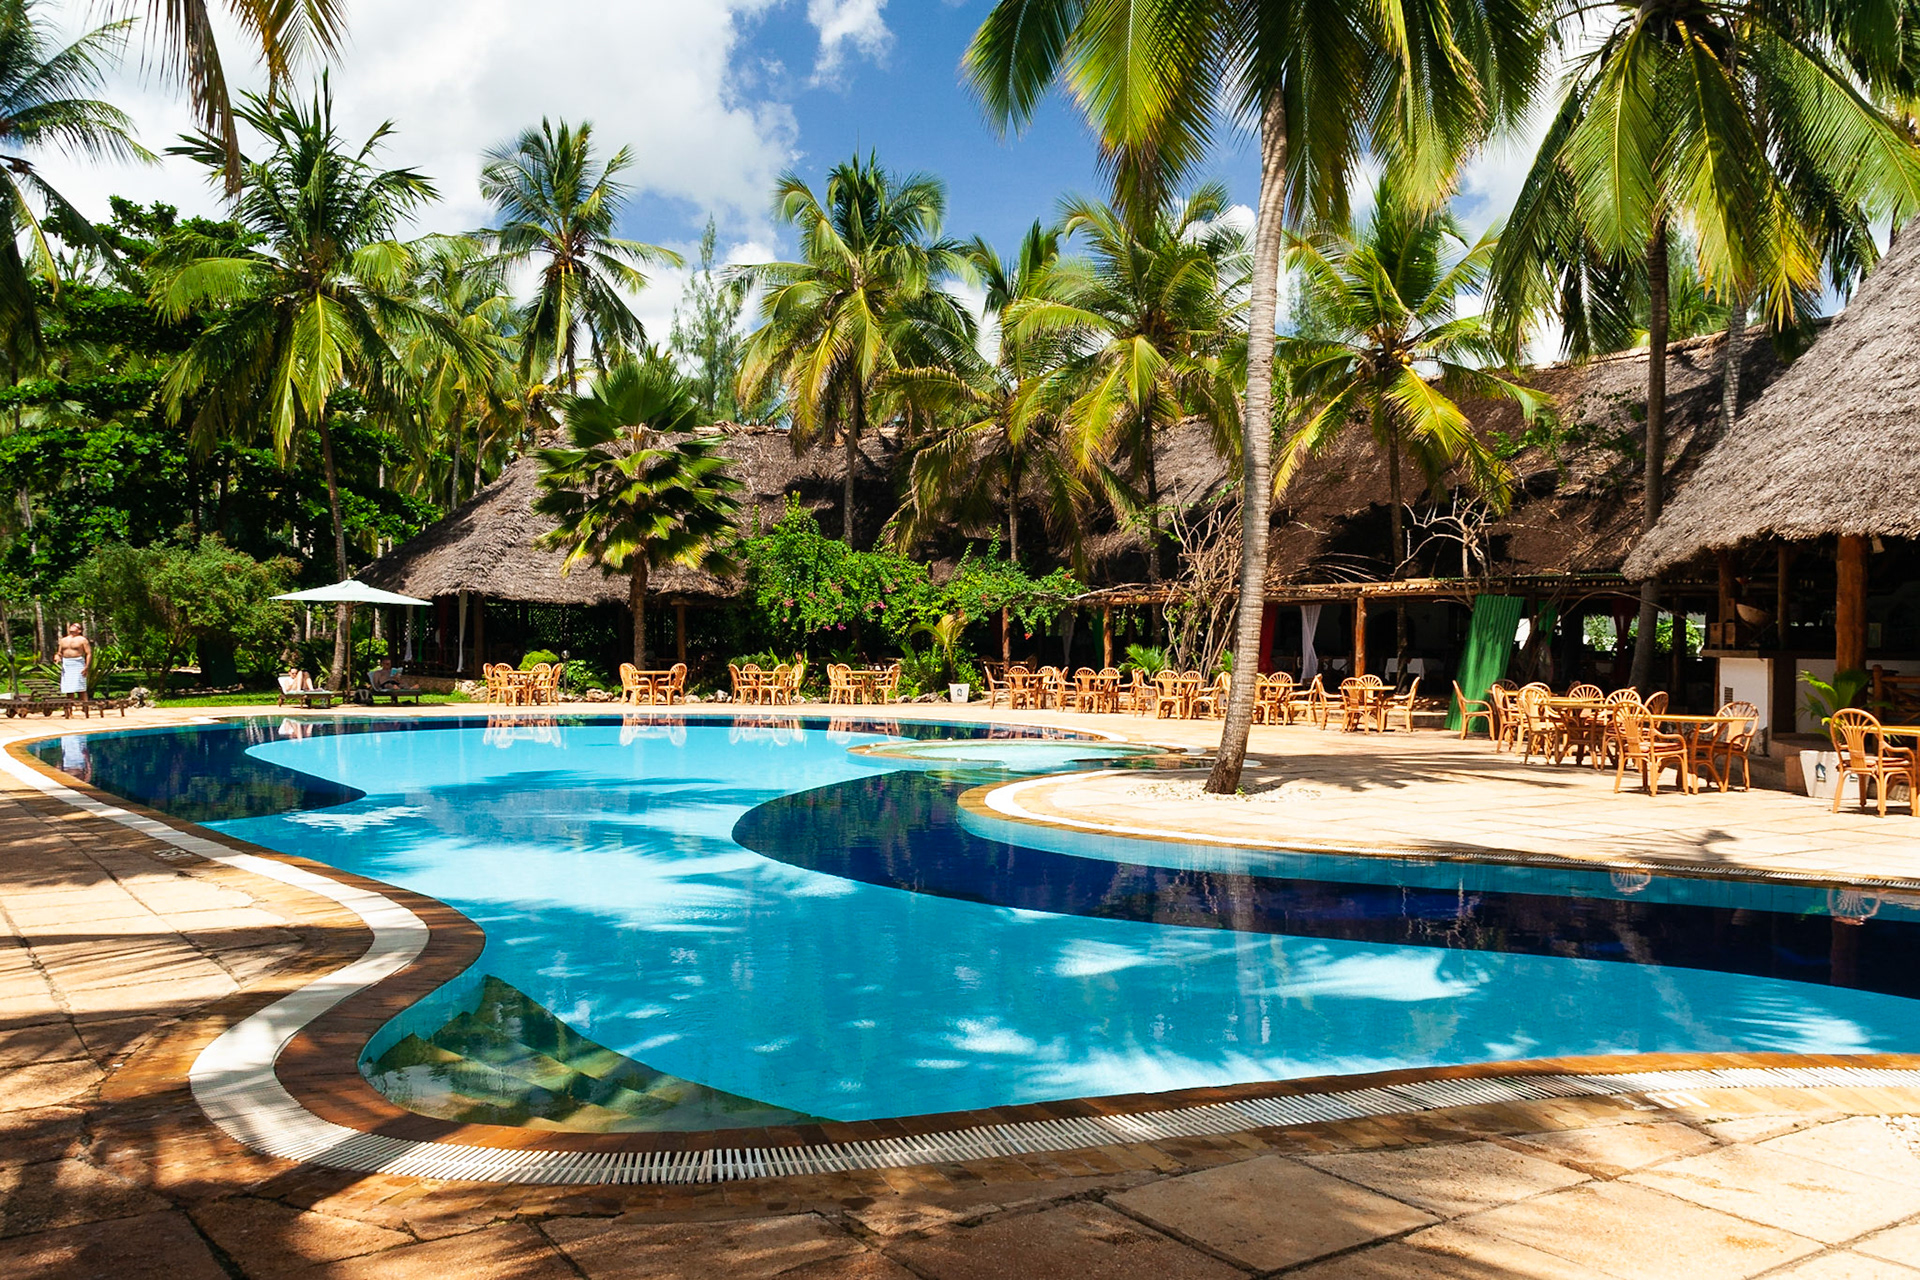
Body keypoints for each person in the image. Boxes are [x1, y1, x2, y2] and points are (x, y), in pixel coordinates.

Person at [55, 623, 90, 698]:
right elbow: (59, 652)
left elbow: (88, 653)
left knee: (81, 688)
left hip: (78, 663)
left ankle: (85, 707)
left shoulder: (82, 640)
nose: (73, 627)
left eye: (76, 626)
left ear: (79, 630)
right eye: (72, 625)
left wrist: (86, 667)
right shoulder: (63, 640)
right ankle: (69, 708)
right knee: (69, 688)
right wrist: (57, 656)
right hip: (67, 664)